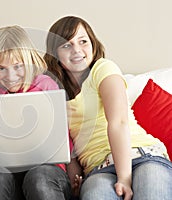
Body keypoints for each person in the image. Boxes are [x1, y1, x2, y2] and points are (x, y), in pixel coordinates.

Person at [44, 16, 172, 200]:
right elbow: (67, 149)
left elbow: (118, 122)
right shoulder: (54, 91)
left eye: (83, 41)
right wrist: (75, 181)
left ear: (93, 45)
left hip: (142, 154)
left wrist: (124, 178)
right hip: (98, 170)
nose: (77, 50)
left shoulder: (102, 69)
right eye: (67, 45)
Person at [0, 25, 74, 200]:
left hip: (48, 171)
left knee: (38, 178)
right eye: (1, 68)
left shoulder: (45, 85)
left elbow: (62, 138)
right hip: (8, 172)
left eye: (17, 66)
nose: (10, 76)